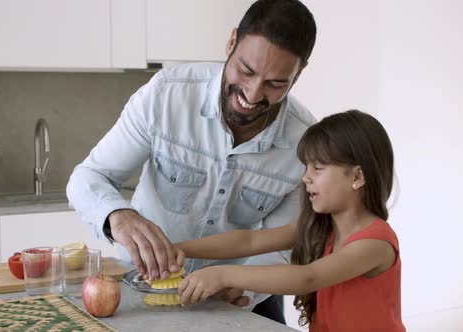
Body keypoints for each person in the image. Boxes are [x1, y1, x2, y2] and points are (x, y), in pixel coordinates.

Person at [66, 0, 317, 323]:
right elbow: (88, 177)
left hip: (239, 302)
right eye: (246, 70)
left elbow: (285, 243)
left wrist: (242, 286)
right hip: (143, 293)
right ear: (230, 43)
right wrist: (118, 214)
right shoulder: (167, 95)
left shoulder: (305, 144)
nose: (252, 95)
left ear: (297, 76)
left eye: (275, 83)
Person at [176, 110, 405, 332]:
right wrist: (179, 249)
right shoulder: (323, 229)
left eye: (318, 168)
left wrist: (221, 274)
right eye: (306, 167)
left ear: (357, 177)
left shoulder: (375, 243)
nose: (306, 177)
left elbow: (308, 277)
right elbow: (249, 241)